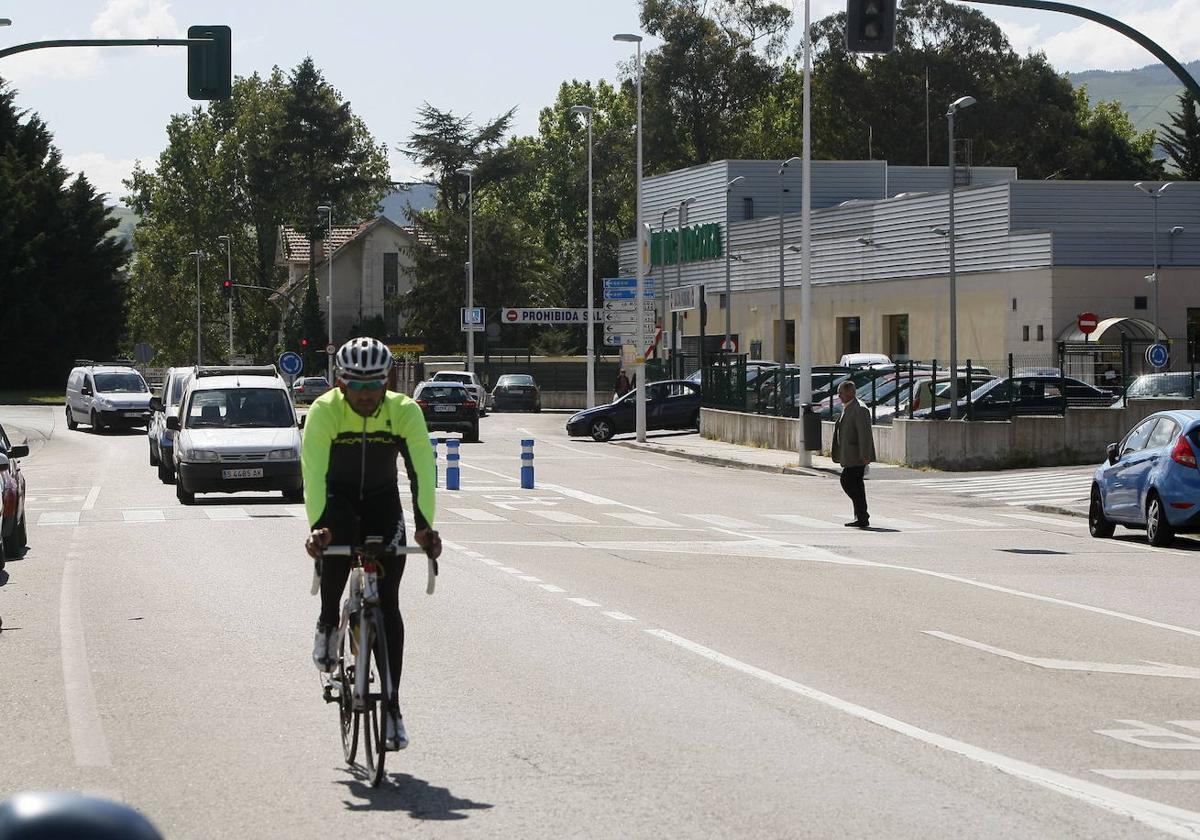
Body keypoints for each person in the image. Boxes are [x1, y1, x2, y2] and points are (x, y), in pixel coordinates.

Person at [302, 336, 442, 752]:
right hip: (337, 500)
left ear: (388, 381)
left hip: (383, 504)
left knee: (390, 605)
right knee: (335, 545)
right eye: (356, 385)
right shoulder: (324, 412)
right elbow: (312, 471)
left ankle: (393, 707)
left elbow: (421, 470)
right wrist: (317, 526)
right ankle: (329, 623)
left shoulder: (404, 412)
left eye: (374, 385)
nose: (365, 395)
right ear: (340, 383)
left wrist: (425, 526)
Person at [830, 380, 876, 528]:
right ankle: (861, 517)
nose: (839, 396)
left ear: (851, 392)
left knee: (848, 482)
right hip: (849, 454)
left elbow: (864, 434)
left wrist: (865, 455)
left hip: (856, 455)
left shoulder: (860, 409)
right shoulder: (848, 407)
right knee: (856, 486)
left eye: (841, 393)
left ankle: (862, 515)